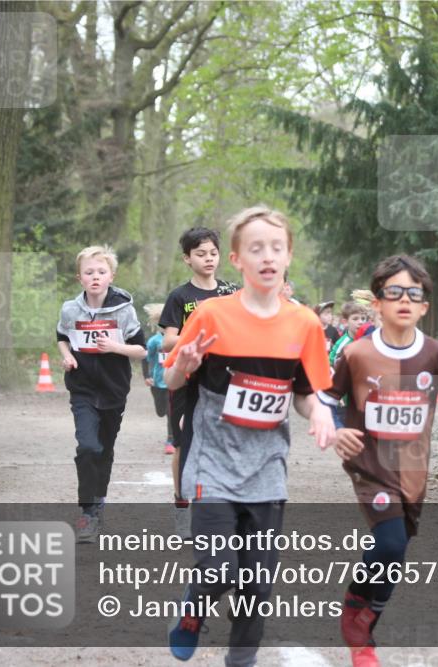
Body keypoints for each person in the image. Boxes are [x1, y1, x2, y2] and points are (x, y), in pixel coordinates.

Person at [164, 205, 336, 667]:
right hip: (214, 464)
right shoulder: (211, 315)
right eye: (255, 248)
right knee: (218, 568)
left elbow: (306, 392)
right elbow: (174, 381)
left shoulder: (304, 324)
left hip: (267, 470)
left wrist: (319, 412)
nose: (267, 256)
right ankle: (194, 610)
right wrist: (187, 363)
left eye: (276, 247)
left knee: (257, 585)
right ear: (237, 259)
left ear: (288, 256)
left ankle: (241, 661)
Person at [318, 254, 438, 667]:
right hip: (369, 465)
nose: (404, 300)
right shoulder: (356, 354)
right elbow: (326, 398)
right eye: (394, 293)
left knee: (397, 550)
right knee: (388, 542)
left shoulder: (437, 354)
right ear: (377, 303)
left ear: (424, 306)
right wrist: (337, 430)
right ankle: (359, 627)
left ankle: (367, 614)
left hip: (412, 470)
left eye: (414, 294)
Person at [56, 245, 147, 543]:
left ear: (111, 276)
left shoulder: (124, 310)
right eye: (89, 272)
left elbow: (141, 349)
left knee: (104, 451)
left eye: (101, 272)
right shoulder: (70, 309)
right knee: (87, 447)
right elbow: (62, 337)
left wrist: (115, 347)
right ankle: (87, 513)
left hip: (113, 390)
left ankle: (98, 502)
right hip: (82, 388)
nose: (95, 277)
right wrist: (66, 356)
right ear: (79, 278)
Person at [160, 227, 239, 535]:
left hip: (223, 380)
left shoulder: (230, 292)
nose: (208, 259)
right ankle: (181, 505)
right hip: (186, 377)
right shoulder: (180, 297)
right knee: (183, 444)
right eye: (201, 254)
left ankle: (223, 507)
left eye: (213, 253)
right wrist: (197, 338)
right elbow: (167, 342)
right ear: (187, 259)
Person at [141, 303, 173, 454]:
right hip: (157, 382)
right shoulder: (154, 341)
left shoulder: (178, 339)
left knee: (170, 411)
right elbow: (144, 358)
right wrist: (146, 376)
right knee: (161, 411)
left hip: (173, 381)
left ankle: (170, 440)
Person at [330, 300, 369, 366]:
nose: (360, 322)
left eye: (363, 318)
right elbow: (334, 364)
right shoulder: (343, 344)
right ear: (345, 322)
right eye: (355, 319)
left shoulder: (369, 339)